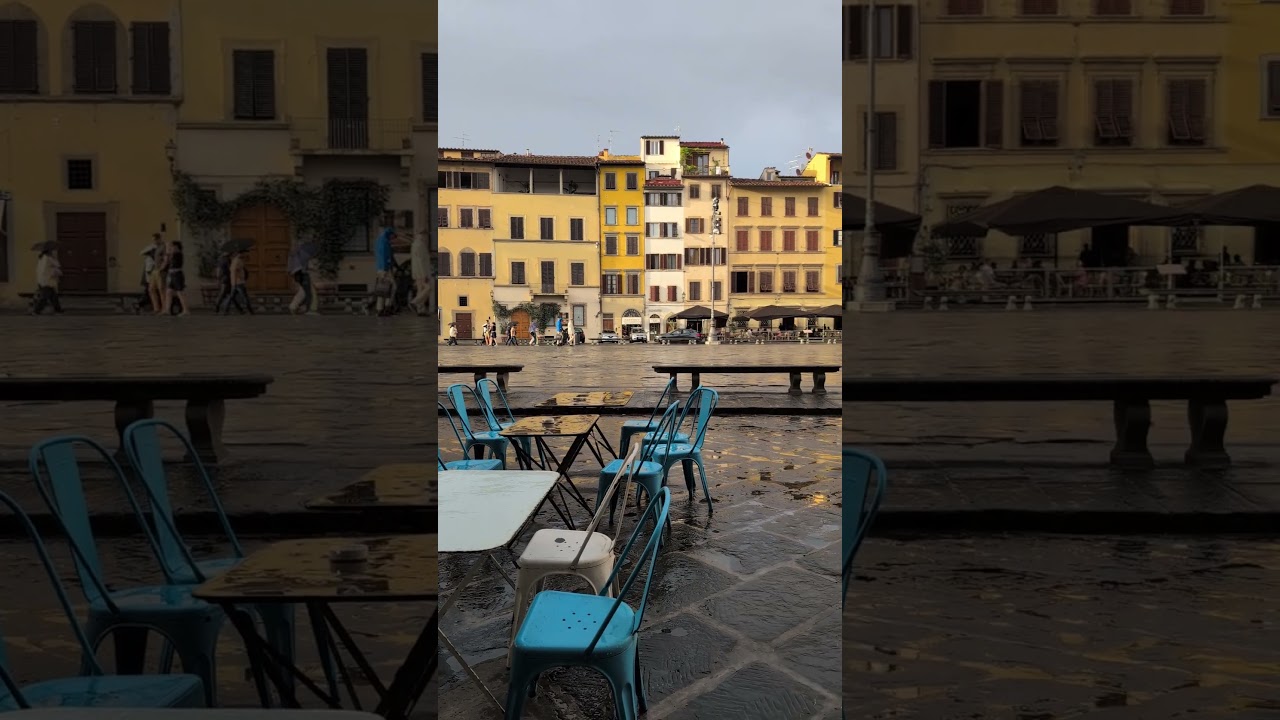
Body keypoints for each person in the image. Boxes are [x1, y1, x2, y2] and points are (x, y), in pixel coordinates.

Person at [373, 226, 397, 316]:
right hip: (385, 269)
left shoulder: (378, 241)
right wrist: (385, 269)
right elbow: (385, 256)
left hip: (380, 268)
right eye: (392, 236)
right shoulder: (385, 242)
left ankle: (379, 309)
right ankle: (387, 307)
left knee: (382, 288)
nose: (392, 239)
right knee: (392, 287)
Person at [31, 248, 63, 315]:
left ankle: (58, 309)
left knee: (54, 297)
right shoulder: (47, 259)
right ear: (48, 251)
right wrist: (55, 271)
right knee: (44, 297)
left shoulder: (43, 258)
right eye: (51, 251)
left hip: (46, 280)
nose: (52, 252)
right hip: (46, 281)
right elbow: (47, 270)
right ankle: (36, 311)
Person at [161, 240, 189, 316]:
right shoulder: (171, 254)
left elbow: (168, 257)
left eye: (172, 246)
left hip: (177, 274)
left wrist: (167, 248)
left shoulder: (178, 253)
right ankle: (167, 310)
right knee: (169, 292)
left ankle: (186, 310)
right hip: (171, 274)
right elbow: (166, 262)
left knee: (180, 292)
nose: (171, 247)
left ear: (176, 247)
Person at [288, 244, 313, 315]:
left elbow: (289, 268)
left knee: (304, 291)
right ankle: (295, 307)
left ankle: (297, 307)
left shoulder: (292, 256)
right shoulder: (298, 256)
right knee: (304, 292)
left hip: (299, 274)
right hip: (301, 274)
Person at [409, 231, 430, 315]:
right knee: (428, 288)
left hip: (416, 271)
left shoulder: (414, 245)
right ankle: (414, 302)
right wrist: (424, 274)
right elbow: (421, 261)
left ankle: (421, 310)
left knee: (420, 290)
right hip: (421, 271)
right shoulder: (420, 245)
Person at [147, 233, 167, 314]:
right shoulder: (156, 248)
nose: (154, 241)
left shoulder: (164, 247)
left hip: (160, 270)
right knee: (151, 289)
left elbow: (166, 259)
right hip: (154, 270)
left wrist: (162, 268)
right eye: (153, 240)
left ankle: (164, 308)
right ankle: (156, 308)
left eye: (155, 240)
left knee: (161, 289)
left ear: (159, 239)